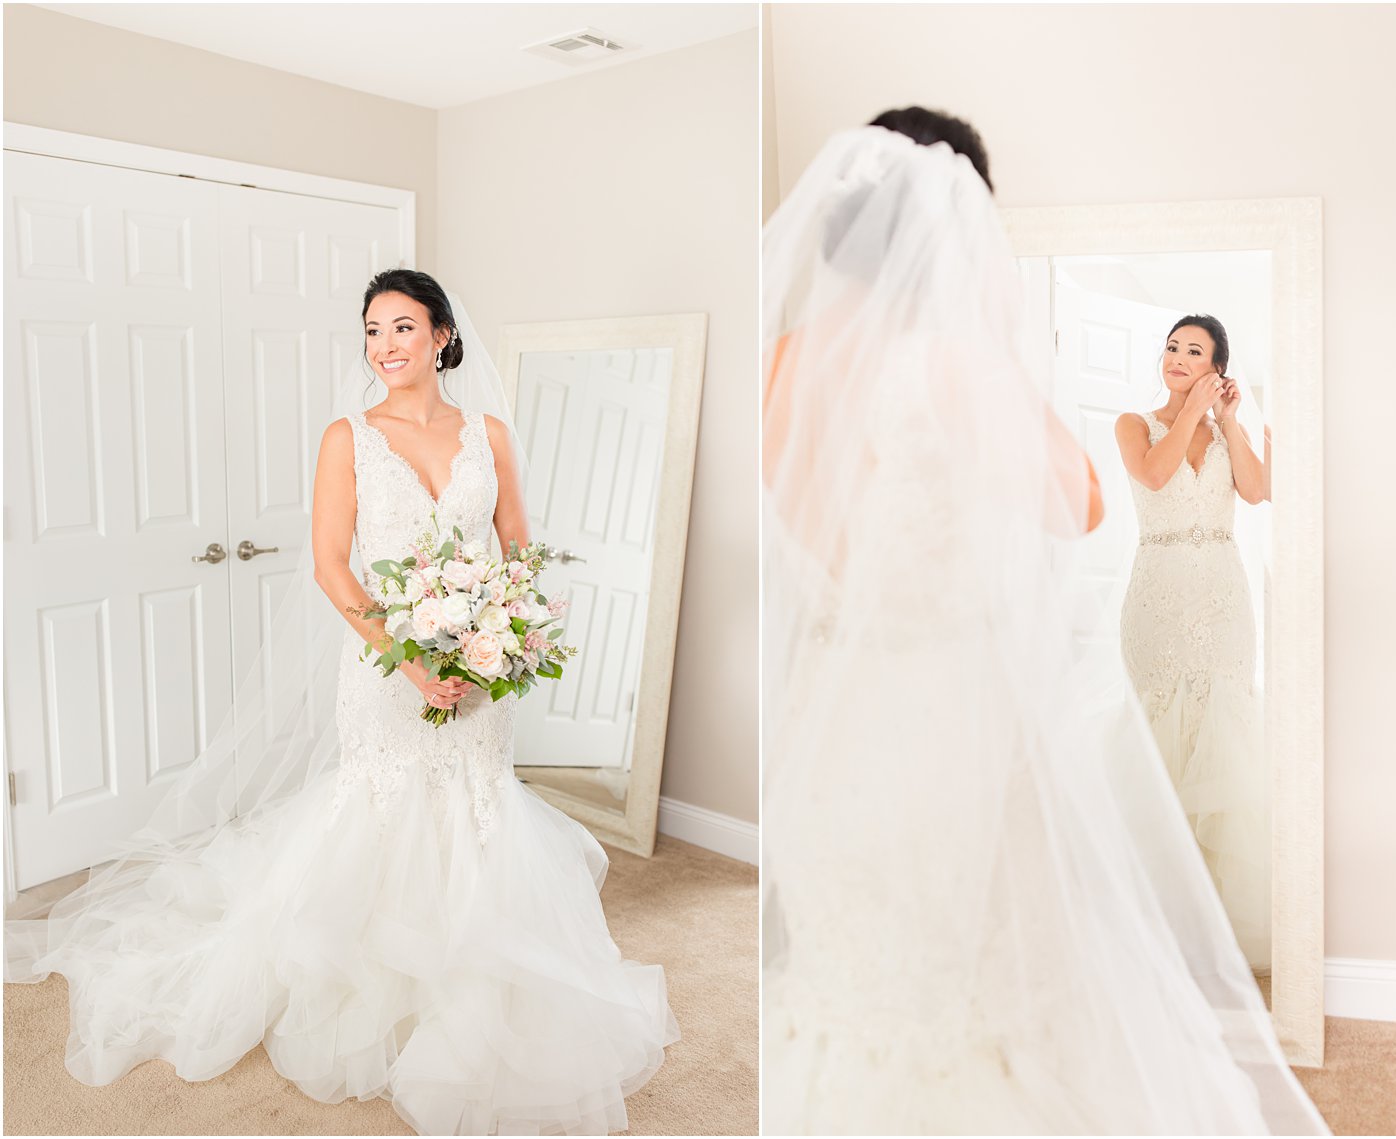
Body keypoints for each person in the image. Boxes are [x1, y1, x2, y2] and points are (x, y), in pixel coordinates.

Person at [6, 269, 678, 1136]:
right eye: (371, 331)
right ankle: (371, 988)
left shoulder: (491, 435)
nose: (385, 346)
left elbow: (517, 548)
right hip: (385, 667)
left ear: (441, 336)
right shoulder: (348, 437)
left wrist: (498, 642)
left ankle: (470, 983)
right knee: (383, 808)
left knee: (476, 811)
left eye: (403, 327)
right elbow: (332, 564)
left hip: (476, 673)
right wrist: (409, 660)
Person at [761, 109, 1325, 1134]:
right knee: (978, 960)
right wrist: (991, 349)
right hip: (943, 705)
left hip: (833, 707)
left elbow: (807, 524)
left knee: (853, 964)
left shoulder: (786, 359)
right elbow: (1080, 503)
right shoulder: (947, 359)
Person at [1116, 316, 1272, 970]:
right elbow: (1153, 475)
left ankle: (1224, 927)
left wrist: (1228, 422)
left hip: (1222, 593)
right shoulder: (1134, 423)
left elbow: (1260, 491)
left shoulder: (1222, 429)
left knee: (1224, 734)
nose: (1177, 357)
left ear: (1216, 367)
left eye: (1195, 352)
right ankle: (1156, 919)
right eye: (1174, 347)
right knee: (1160, 740)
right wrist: (1191, 410)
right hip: (1157, 593)